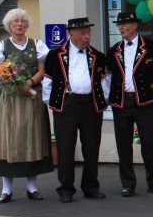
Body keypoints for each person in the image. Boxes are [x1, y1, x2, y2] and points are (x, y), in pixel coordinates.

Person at [0, 8, 54, 203]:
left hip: (31, 99)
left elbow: (42, 70)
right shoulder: (0, 46)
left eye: (22, 21)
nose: (19, 24)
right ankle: (6, 189)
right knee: (8, 141)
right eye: (15, 21)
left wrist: (30, 83)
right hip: (10, 100)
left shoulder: (37, 45)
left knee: (32, 140)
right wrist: (16, 85)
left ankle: (32, 187)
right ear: (9, 25)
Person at [42, 17, 109, 203]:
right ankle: (65, 189)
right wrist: (54, 103)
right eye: (83, 33)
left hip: (91, 105)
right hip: (66, 104)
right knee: (65, 149)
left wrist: (102, 100)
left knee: (91, 148)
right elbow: (48, 82)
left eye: (89, 33)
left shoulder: (98, 56)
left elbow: (104, 83)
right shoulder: (55, 55)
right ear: (70, 34)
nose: (87, 37)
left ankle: (91, 187)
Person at [106, 12, 153, 197]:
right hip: (122, 101)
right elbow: (108, 78)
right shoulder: (114, 50)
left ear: (135, 25)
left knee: (149, 143)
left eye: (124, 24)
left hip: (145, 101)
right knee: (123, 145)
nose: (121, 28)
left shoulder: (151, 47)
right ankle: (128, 184)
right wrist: (112, 97)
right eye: (119, 25)